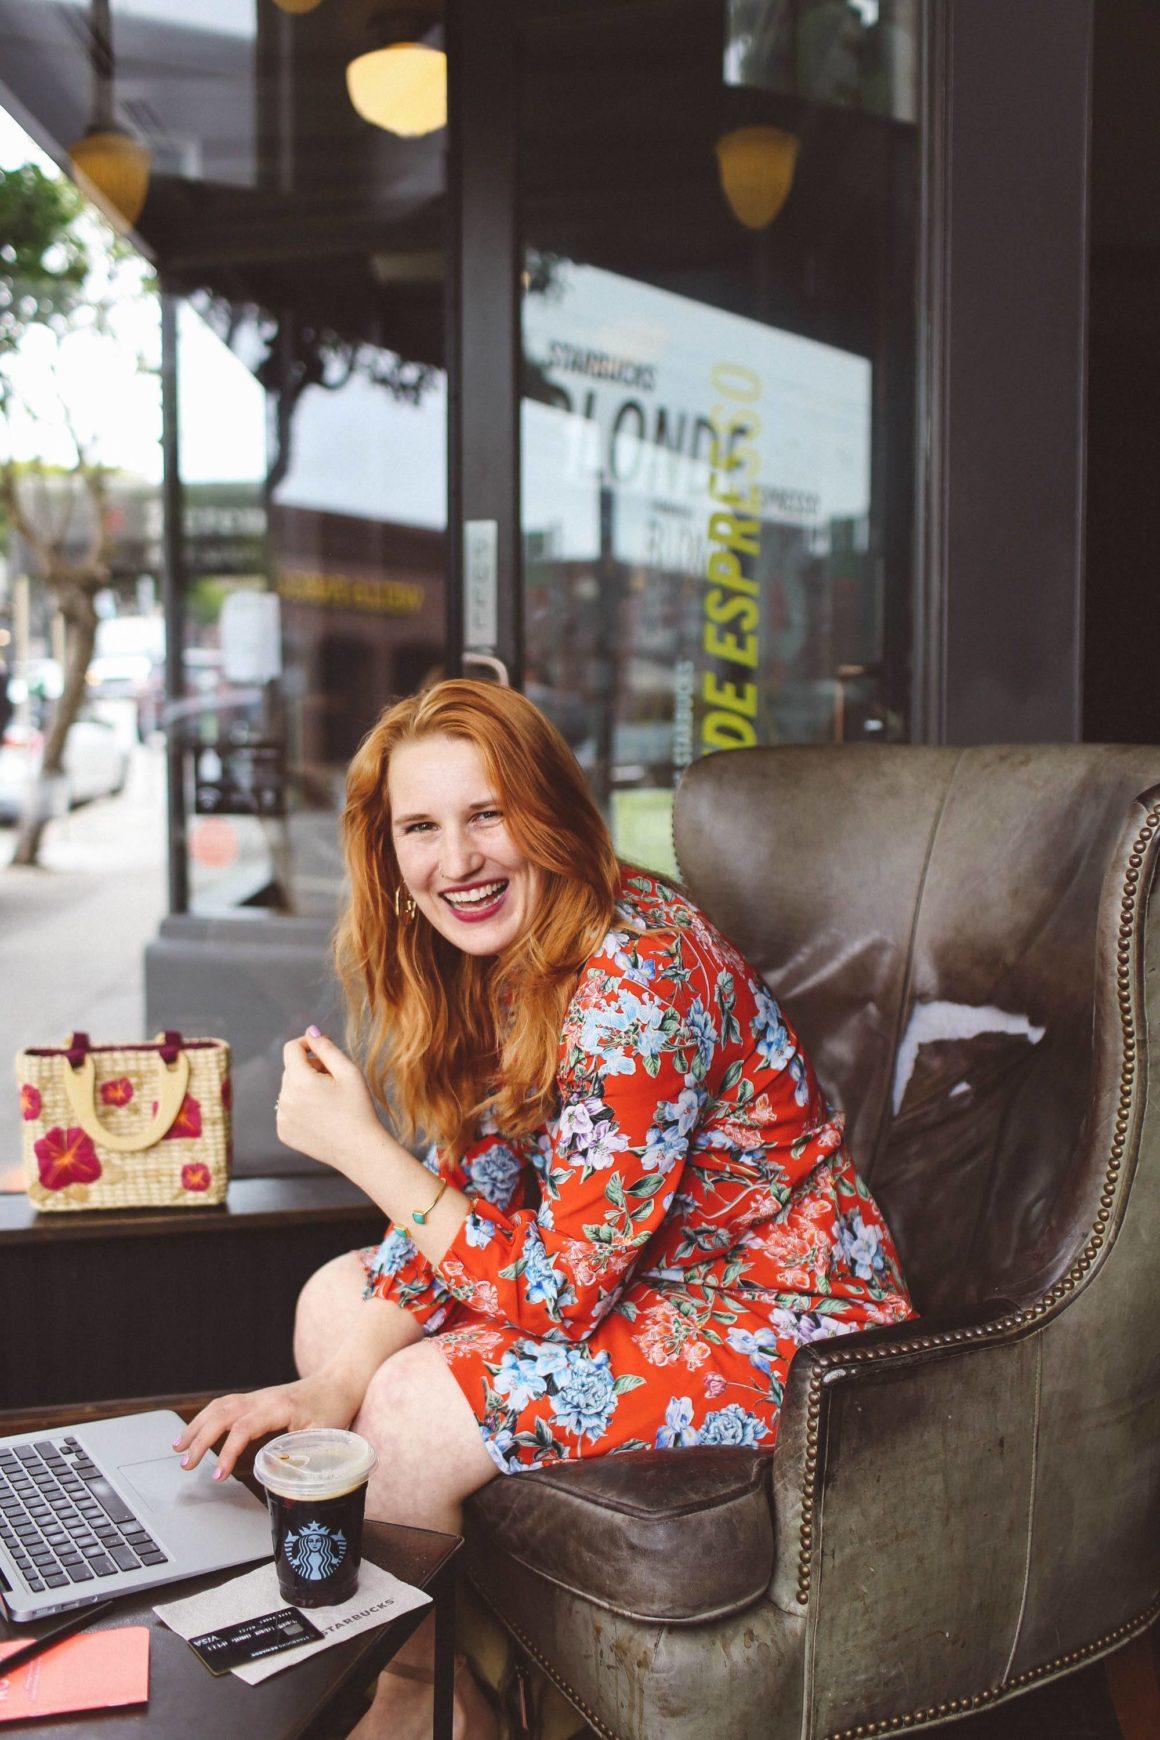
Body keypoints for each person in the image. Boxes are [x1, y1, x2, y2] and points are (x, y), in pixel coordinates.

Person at [175, 678, 916, 1737]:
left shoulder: (637, 982)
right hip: (638, 1280)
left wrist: (361, 1152)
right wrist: (326, 1380)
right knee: (336, 1304)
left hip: (787, 1315)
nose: (457, 861)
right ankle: (468, 1669)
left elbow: (556, 1288)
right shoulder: (489, 956)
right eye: (419, 829)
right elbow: (473, 1195)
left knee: (414, 1411)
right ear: (388, 859)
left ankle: (420, 1700)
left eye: (487, 815)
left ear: (551, 812)